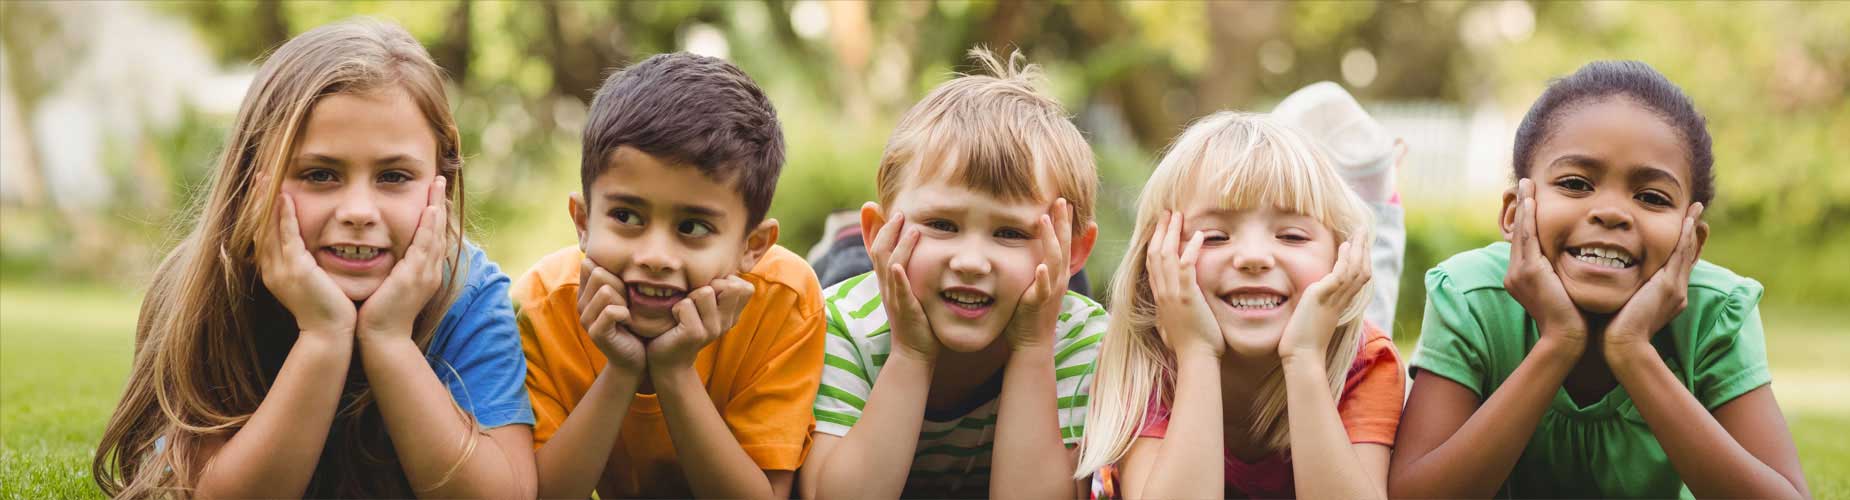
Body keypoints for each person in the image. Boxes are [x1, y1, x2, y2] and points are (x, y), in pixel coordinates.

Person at [92, 19, 535, 498]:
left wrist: (389, 340)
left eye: (393, 176)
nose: (359, 212)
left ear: (440, 183)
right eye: (320, 174)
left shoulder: (467, 294)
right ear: (251, 179)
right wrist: (323, 337)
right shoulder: (203, 287)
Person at [1388, 60, 1810, 498]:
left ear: (1693, 240)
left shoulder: (1715, 314)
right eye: (1575, 184)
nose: (1610, 212)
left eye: (1651, 197)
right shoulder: (1471, 298)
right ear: (1515, 213)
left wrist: (1632, 351)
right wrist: (1558, 343)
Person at [514, 52, 827, 498]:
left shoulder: (785, 300)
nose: (656, 256)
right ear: (583, 221)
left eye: (692, 227)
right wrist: (621, 370)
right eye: (626, 215)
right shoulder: (541, 305)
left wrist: (676, 372)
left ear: (751, 246)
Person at [800, 48, 1105, 499]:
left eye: (1010, 231)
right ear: (878, 231)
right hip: (877, 286)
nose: (970, 260)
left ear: (1075, 250)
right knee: (839, 277)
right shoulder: (840, 324)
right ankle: (849, 242)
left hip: (1023, 299)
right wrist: (911, 354)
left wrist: (1033, 345)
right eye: (942, 224)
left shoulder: (1083, 339)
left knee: (1040, 291)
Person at [1075, 112, 1403, 499]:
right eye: (1214, 237)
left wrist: (1305, 357)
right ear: (1156, 258)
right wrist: (1196, 353)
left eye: (1292, 236)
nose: (1253, 257)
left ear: (1341, 255)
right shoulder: (1143, 361)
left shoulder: (1366, 362)